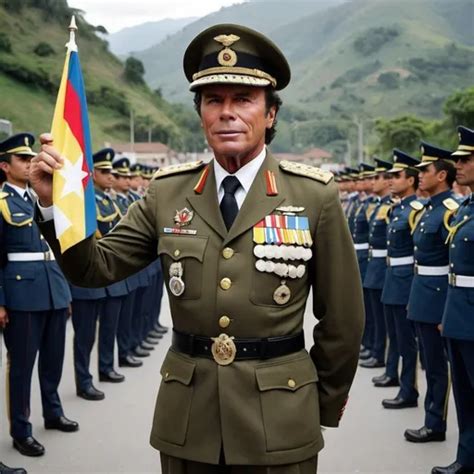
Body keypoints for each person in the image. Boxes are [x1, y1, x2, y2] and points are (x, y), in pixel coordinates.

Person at [30, 24, 364, 473]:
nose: (227, 113)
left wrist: (312, 406)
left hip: (281, 420)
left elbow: (343, 321)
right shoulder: (167, 193)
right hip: (189, 422)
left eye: (243, 99)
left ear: (270, 115)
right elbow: (95, 268)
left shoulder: (313, 195)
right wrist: (55, 207)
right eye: (213, 100)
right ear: (201, 114)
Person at [0, 133, 78, 458]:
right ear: (5, 166)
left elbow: (57, 247)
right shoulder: (2, 202)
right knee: (21, 366)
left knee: (53, 358)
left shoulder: (43, 197)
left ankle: (53, 411)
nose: (29, 162)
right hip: (20, 293)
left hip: (53, 287)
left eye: (31, 157)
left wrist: (66, 291)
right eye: (21, 158)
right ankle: (21, 430)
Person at [404, 142, 457, 443]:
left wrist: (446, 308)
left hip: (438, 297)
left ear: (441, 176)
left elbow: (454, 264)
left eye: (425, 170)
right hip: (422, 293)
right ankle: (432, 419)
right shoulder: (427, 210)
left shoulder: (449, 211)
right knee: (429, 360)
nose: (419, 175)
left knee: (437, 366)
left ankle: (435, 423)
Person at [432, 126, 474, 474]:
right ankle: (466, 458)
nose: (458, 163)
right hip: (460, 312)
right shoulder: (466, 208)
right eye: (457, 158)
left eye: (466, 159)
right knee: (464, 393)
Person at [71, 148, 128, 402]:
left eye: (111, 172)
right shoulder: (85, 200)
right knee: (84, 334)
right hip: (90, 272)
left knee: (109, 326)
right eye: (104, 172)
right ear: (91, 175)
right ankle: (83, 380)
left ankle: (106, 367)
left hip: (110, 273)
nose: (110, 177)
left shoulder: (110, 200)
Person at [380, 149, 420, 409]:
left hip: (407, 281)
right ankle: (393, 373)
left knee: (407, 340)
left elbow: (420, 253)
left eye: (397, 175)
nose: (391, 180)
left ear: (411, 181)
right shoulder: (397, 209)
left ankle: (409, 390)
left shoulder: (415, 211)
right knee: (394, 334)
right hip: (392, 278)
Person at [360, 159, 394, 371]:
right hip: (373, 264)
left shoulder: (391, 206)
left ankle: (379, 351)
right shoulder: (377, 205)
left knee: (382, 319)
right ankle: (374, 348)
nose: (372, 181)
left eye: (376, 178)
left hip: (384, 266)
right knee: (372, 313)